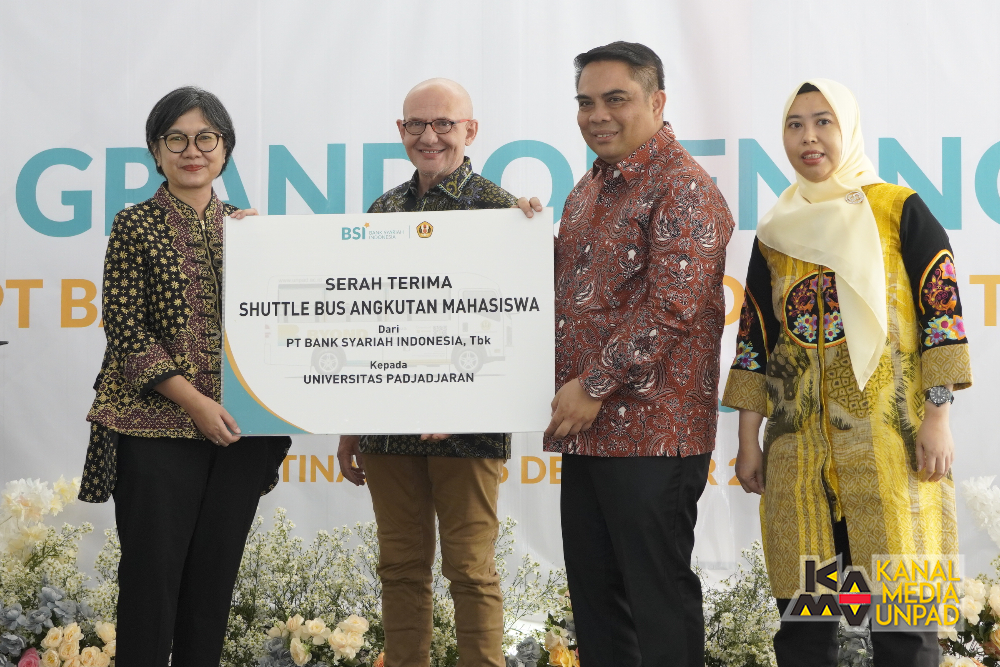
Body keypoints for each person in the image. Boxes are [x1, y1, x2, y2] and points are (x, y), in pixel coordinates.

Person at [723, 79, 972, 667]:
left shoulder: (897, 210)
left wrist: (937, 417)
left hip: (893, 448)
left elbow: (942, 317)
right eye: (795, 125)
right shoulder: (775, 232)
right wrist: (748, 438)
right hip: (800, 459)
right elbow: (756, 340)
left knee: (904, 622)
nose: (808, 138)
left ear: (849, 129)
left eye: (823, 122)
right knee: (806, 627)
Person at [78, 86, 291, 667]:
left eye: (205, 138)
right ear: (156, 150)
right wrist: (195, 402)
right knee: (149, 587)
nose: (192, 151)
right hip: (153, 431)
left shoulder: (250, 230)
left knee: (212, 589)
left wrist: (272, 250)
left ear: (226, 149)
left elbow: (285, 323)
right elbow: (126, 330)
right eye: (176, 139)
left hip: (241, 433)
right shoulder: (135, 224)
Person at [337, 78, 542, 667]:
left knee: (471, 570)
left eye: (443, 124)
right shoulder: (382, 211)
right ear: (400, 131)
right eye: (416, 125)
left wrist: (533, 236)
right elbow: (362, 320)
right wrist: (350, 422)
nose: (429, 136)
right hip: (387, 424)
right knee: (400, 568)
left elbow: (518, 324)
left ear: (470, 131)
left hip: (469, 428)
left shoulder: (504, 212)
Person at [543, 42, 735, 667]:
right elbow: (569, 293)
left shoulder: (684, 188)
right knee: (596, 602)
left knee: (658, 599)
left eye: (615, 99)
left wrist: (593, 385)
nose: (597, 115)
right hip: (588, 432)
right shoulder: (588, 189)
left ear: (657, 102)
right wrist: (518, 235)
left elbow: (671, 309)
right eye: (586, 102)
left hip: (655, 433)